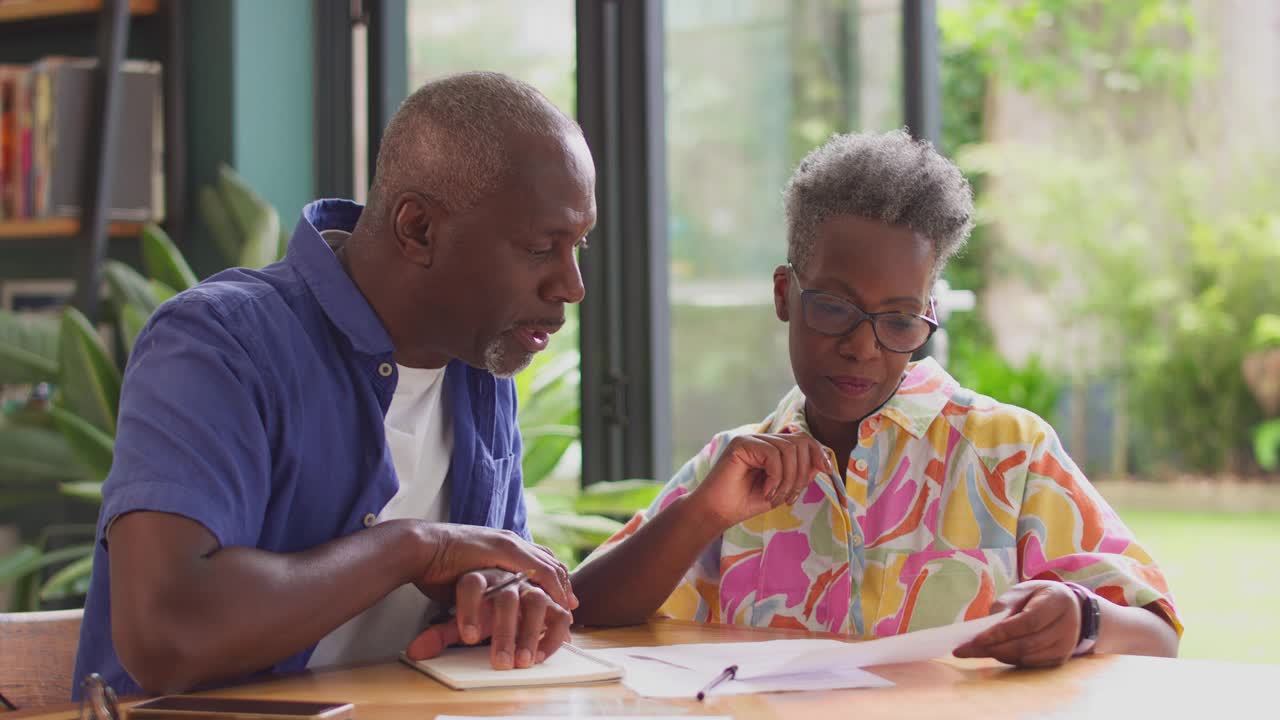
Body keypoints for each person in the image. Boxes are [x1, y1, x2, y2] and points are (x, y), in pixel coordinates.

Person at [72, 71, 597, 696]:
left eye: (578, 246)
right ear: (419, 230)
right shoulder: (216, 344)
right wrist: (412, 549)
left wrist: (501, 601)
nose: (571, 285)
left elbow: (486, 583)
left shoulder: (479, 364)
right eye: (542, 248)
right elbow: (167, 634)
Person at [572, 129, 1180, 667]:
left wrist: (1084, 620)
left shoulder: (1008, 455)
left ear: (929, 315)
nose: (863, 347)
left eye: (899, 320)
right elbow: (581, 614)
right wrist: (703, 513)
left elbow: (1159, 634)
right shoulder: (733, 471)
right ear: (786, 294)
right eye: (835, 308)